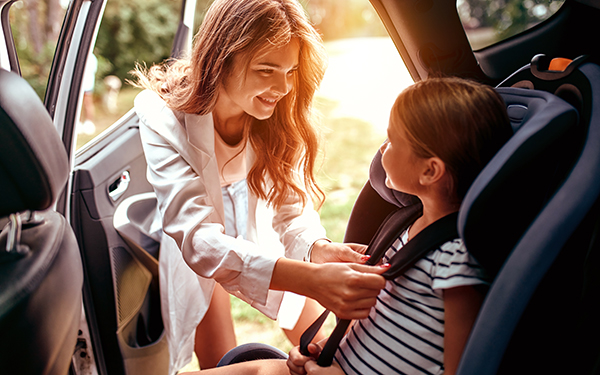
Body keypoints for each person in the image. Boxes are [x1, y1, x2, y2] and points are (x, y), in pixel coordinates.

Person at [179, 76, 513, 375]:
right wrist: (328, 349)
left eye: (393, 140)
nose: (383, 148)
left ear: (430, 171)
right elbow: (380, 321)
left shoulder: (455, 262)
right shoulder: (404, 226)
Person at [131, 0, 387, 373]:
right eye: (267, 69)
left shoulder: (283, 113)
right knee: (219, 357)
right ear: (220, 58)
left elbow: (291, 207)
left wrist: (318, 250)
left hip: (258, 208)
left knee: (318, 345)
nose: (283, 87)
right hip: (200, 225)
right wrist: (312, 279)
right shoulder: (161, 116)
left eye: (291, 70)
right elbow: (200, 239)